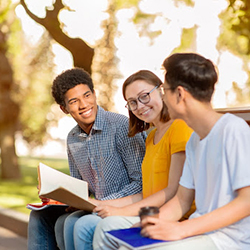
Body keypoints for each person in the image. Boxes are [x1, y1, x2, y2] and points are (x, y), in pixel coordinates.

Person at [109, 52, 250, 250]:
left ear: (180, 94)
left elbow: (247, 201)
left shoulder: (234, 130)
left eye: (165, 90)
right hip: (200, 233)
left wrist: (182, 230)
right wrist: (150, 224)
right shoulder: (194, 141)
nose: (163, 97)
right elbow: (182, 200)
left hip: (228, 240)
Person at [27, 67, 146, 250]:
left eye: (87, 95)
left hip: (123, 206)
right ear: (63, 108)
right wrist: (54, 193)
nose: (84, 105)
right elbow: (81, 188)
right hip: (93, 206)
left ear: (94, 94)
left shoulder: (121, 126)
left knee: (70, 223)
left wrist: (101, 203)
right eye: (74, 101)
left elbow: (141, 182)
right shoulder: (72, 139)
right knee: (41, 217)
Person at [91, 70, 195, 250]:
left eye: (144, 96)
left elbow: (172, 191)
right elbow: (147, 193)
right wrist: (102, 204)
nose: (139, 106)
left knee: (101, 226)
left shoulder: (179, 127)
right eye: (132, 102)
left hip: (175, 217)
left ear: (161, 91)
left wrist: (120, 212)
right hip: (150, 211)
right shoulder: (151, 137)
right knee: (84, 221)